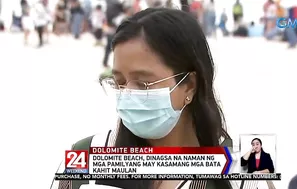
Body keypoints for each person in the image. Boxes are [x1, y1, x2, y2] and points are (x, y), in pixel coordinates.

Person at [51, 8, 232, 189]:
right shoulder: (84, 157)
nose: (128, 94)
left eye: (144, 83)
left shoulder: (236, 175)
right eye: (120, 82)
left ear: (189, 85)